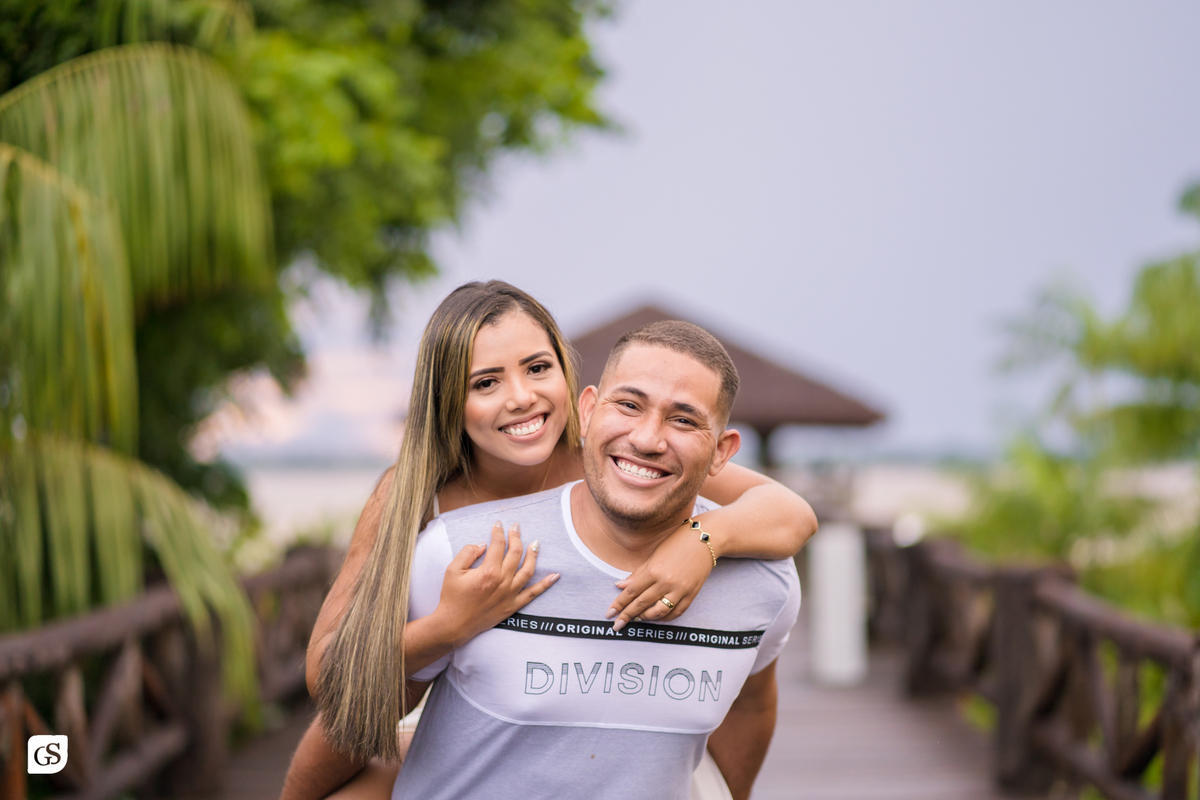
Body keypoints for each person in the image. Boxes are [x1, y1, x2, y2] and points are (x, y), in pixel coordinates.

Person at [281, 282, 815, 800]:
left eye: (538, 369)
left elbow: (789, 511)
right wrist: (451, 624)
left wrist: (702, 540)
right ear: (449, 401)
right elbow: (331, 677)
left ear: (570, 378)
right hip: (420, 703)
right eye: (485, 383)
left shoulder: (616, 458)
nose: (521, 398)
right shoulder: (417, 493)